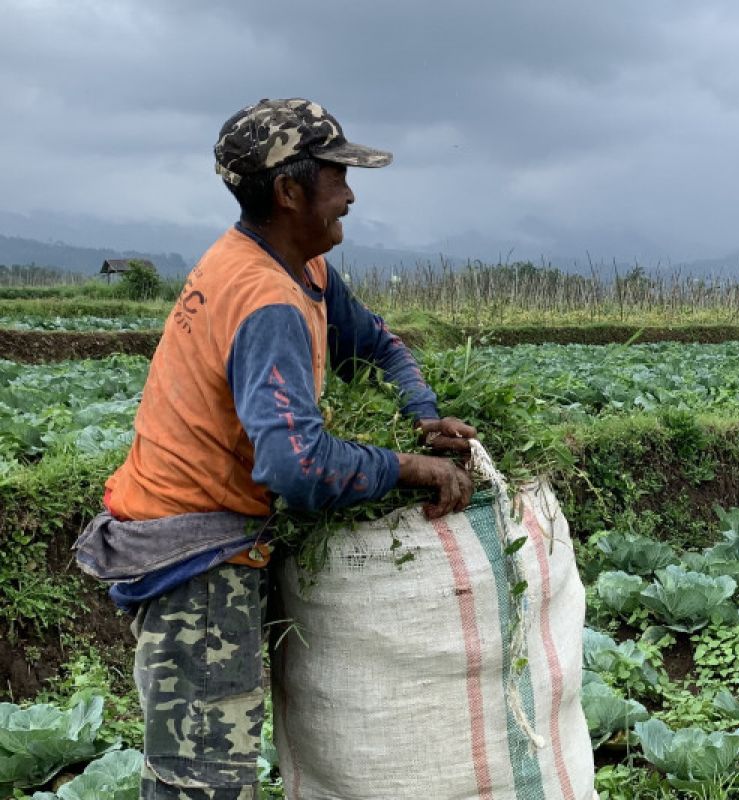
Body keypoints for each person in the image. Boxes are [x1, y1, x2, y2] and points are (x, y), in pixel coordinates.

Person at [74, 97, 476, 799]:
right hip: (193, 558)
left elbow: (376, 343)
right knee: (201, 783)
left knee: (196, 772)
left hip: (202, 536)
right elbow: (300, 466)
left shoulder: (298, 268)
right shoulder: (264, 299)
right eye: (335, 177)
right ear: (289, 192)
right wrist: (411, 467)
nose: (350, 194)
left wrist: (423, 416)